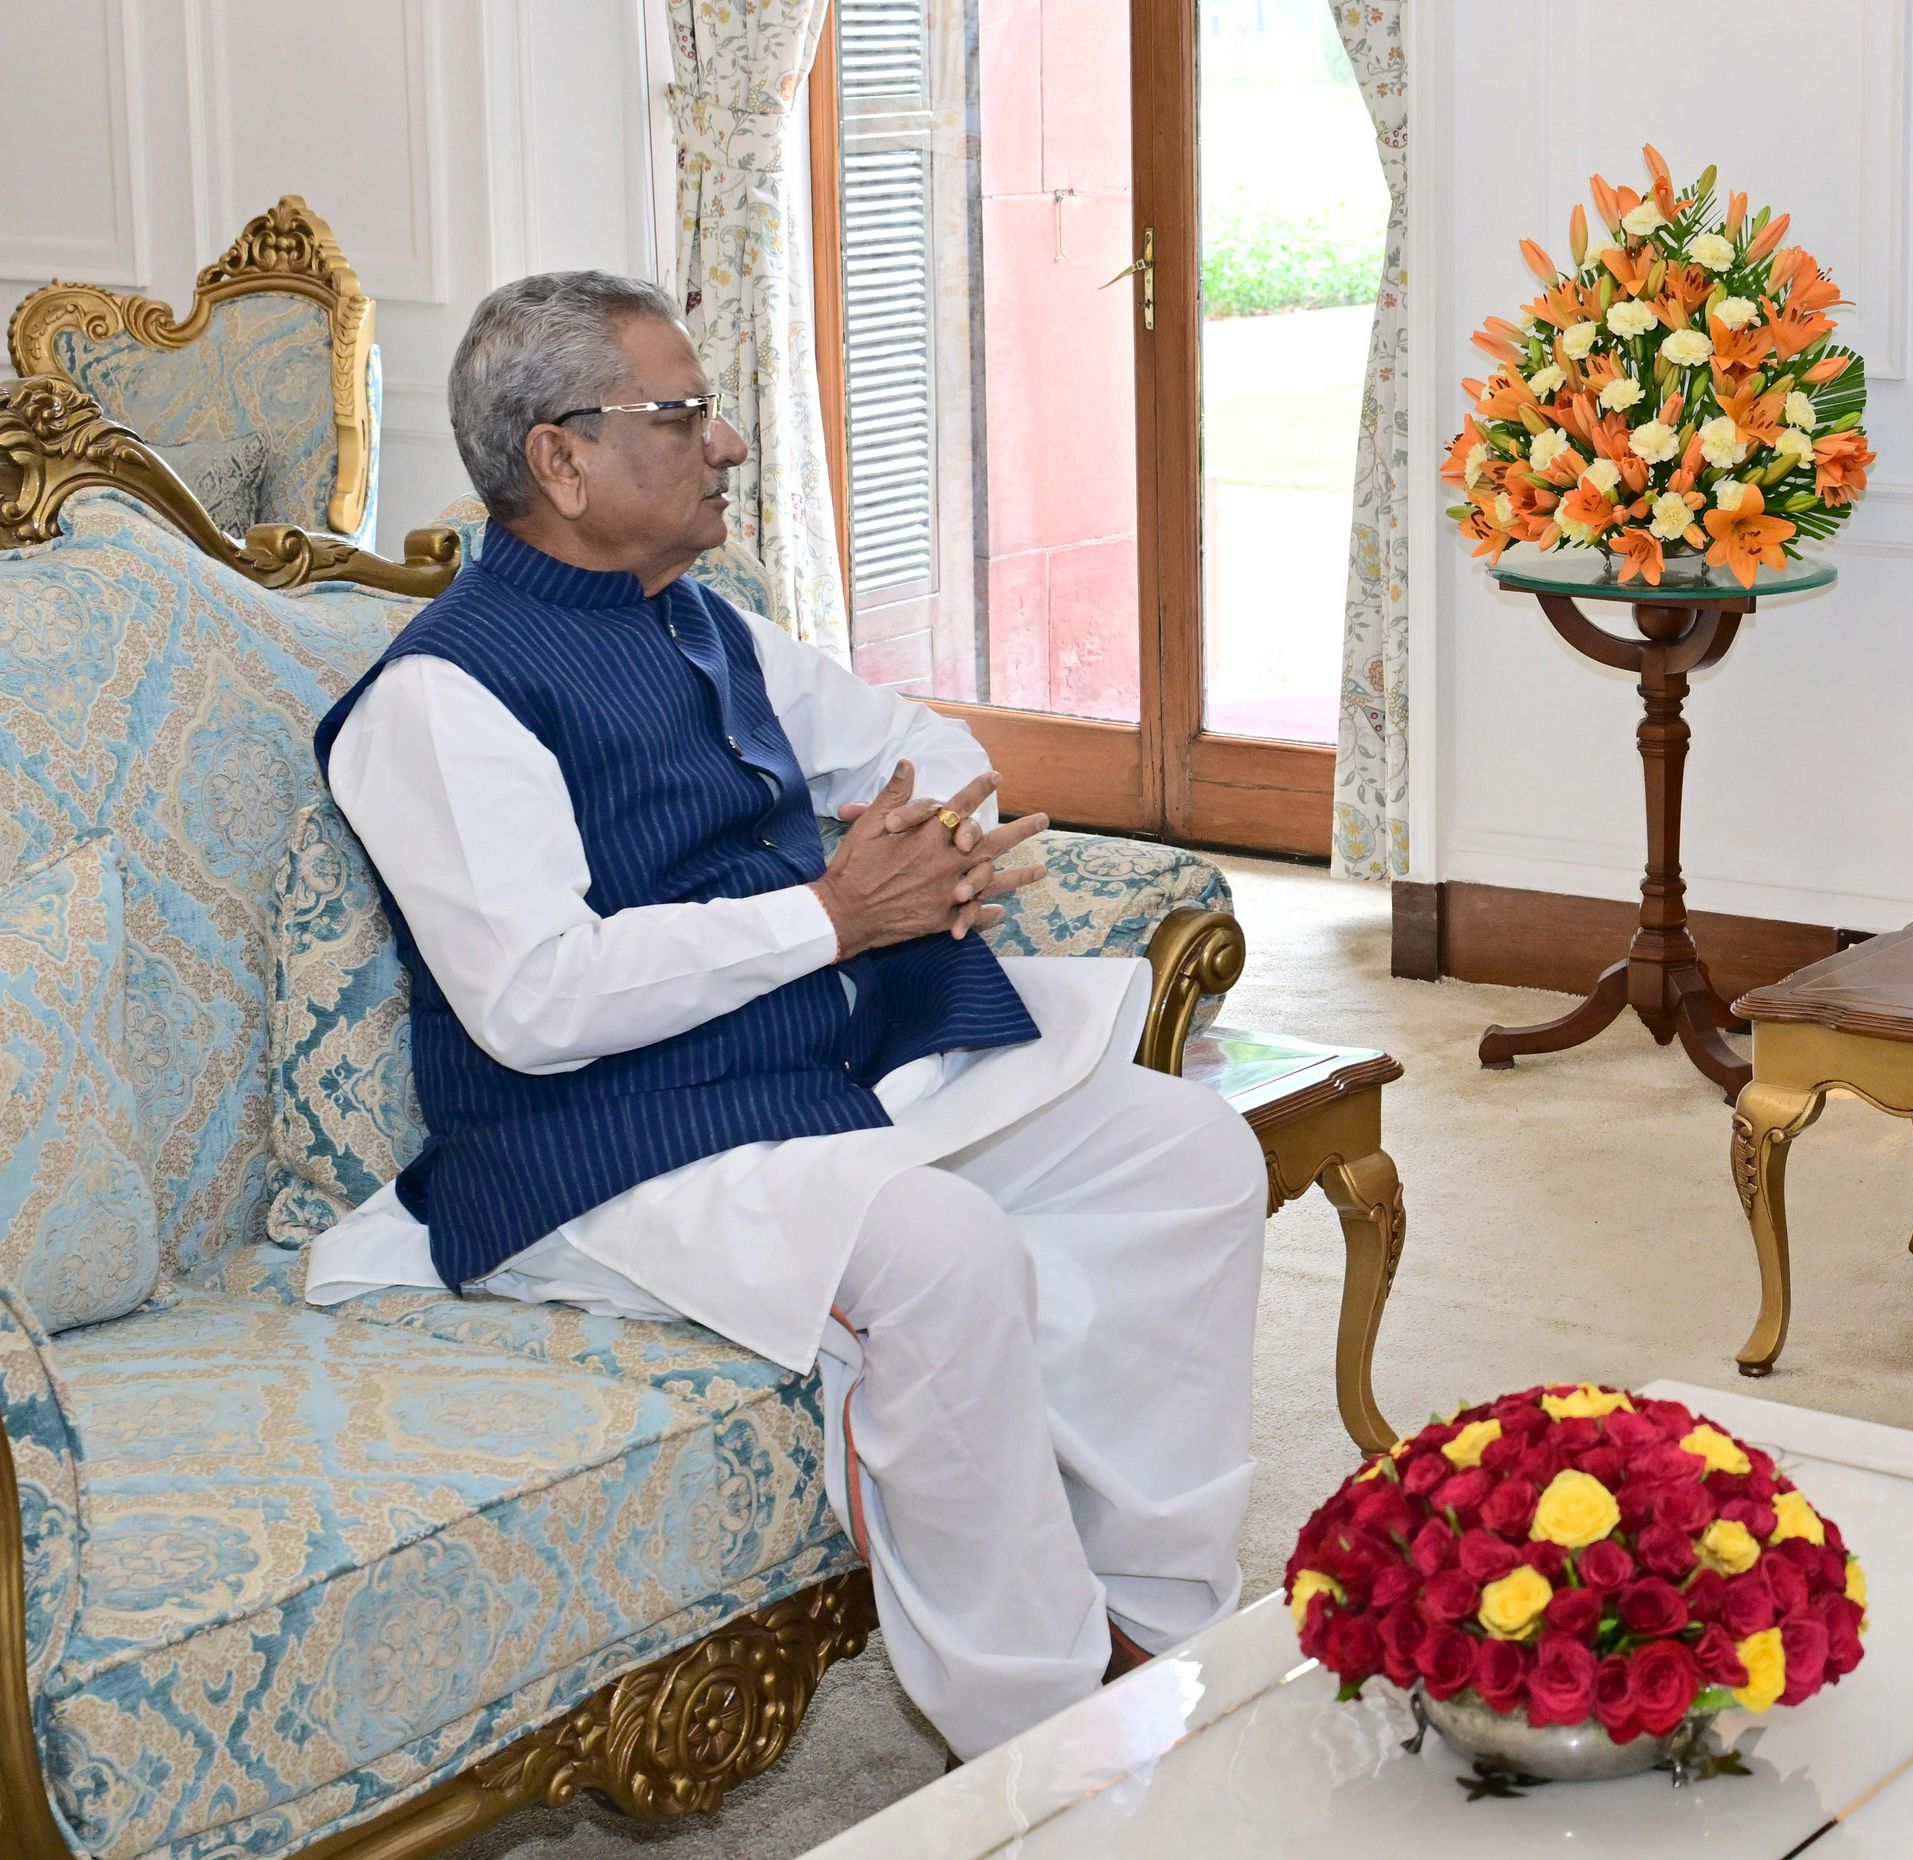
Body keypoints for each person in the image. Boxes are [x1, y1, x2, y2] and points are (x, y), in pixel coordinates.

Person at [301, 272, 1267, 1757]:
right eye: (682, 412)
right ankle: (1041, 1738)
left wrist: (924, 839)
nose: (729, 441)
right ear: (560, 459)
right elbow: (536, 1000)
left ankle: (1154, 1618)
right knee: (940, 1247)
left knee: (1184, 1149)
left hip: (800, 1081)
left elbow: (922, 745)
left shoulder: (702, 622)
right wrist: (831, 912)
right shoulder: (440, 698)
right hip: (598, 1149)